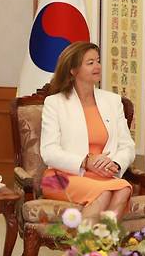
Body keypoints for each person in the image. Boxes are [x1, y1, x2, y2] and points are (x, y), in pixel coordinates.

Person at [40, 41, 135, 222]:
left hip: (103, 175)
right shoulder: (55, 103)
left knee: (124, 188)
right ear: (73, 70)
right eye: (90, 63)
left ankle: (99, 245)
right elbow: (49, 152)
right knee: (105, 192)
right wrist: (85, 162)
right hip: (59, 177)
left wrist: (114, 163)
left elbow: (127, 145)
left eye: (98, 61)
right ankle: (88, 247)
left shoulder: (113, 102)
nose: (97, 66)